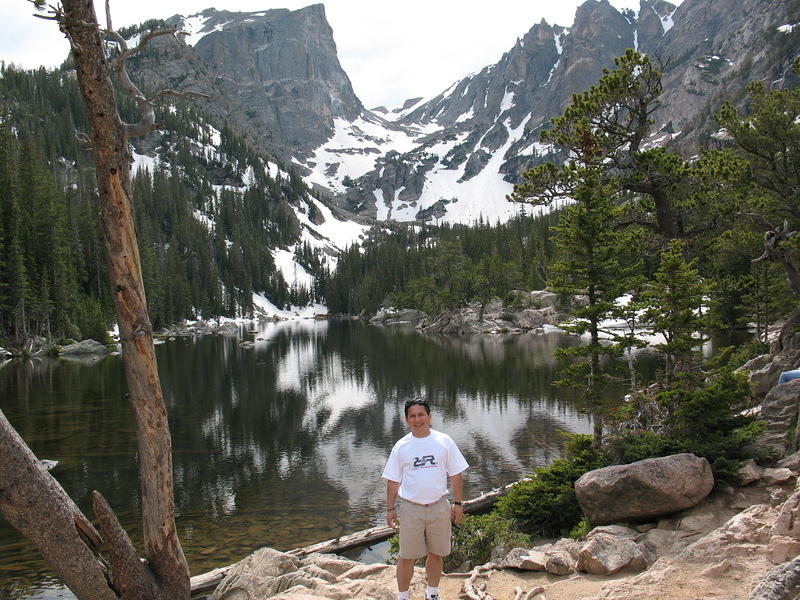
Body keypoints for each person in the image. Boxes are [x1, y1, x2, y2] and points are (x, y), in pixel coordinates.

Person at [382, 399, 469, 600]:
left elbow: (456, 475)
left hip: (439, 506)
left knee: (437, 554)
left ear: (430, 416)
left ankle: (432, 594)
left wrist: (457, 504)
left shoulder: (444, 441)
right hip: (411, 509)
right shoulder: (401, 446)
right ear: (406, 420)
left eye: (421, 415)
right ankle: (403, 596)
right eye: (412, 416)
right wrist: (390, 509)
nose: (417, 419)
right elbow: (393, 481)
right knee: (406, 557)